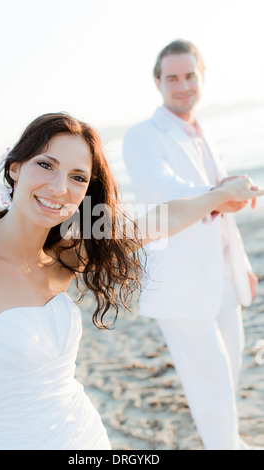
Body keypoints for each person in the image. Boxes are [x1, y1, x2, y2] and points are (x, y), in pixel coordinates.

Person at [0, 113, 262, 451]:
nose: (60, 188)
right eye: (46, 165)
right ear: (15, 166)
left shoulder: (65, 256)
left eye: (77, 177)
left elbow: (161, 220)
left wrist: (220, 195)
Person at [123, 40, 262, 451]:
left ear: (201, 78)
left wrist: (243, 266)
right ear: (157, 82)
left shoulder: (204, 132)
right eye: (172, 78)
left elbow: (219, 208)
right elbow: (159, 190)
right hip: (182, 278)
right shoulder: (143, 136)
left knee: (228, 373)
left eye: (189, 76)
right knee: (211, 379)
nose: (182, 86)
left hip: (223, 271)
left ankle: (228, 441)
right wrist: (220, 194)